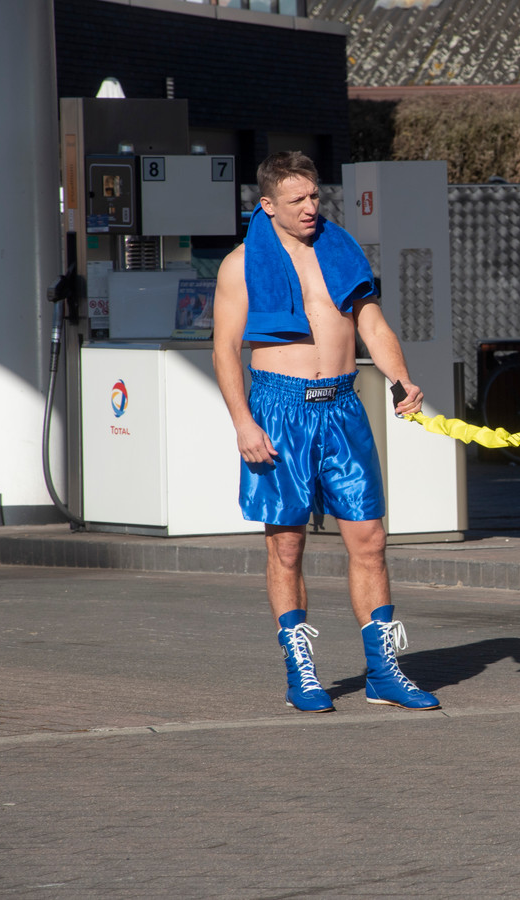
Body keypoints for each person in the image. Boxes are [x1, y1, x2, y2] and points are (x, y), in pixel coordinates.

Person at [213, 150, 439, 714]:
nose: (312, 207)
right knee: (286, 545)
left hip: (342, 404)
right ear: (267, 205)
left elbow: (372, 324)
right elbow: (223, 350)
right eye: (298, 200)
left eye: (315, 196)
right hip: (278, 408)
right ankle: (301, 672)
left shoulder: (339, 250)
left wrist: (401, 379)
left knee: (371, 539)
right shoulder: (240, 264)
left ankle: (384, 671)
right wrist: (243, 422)